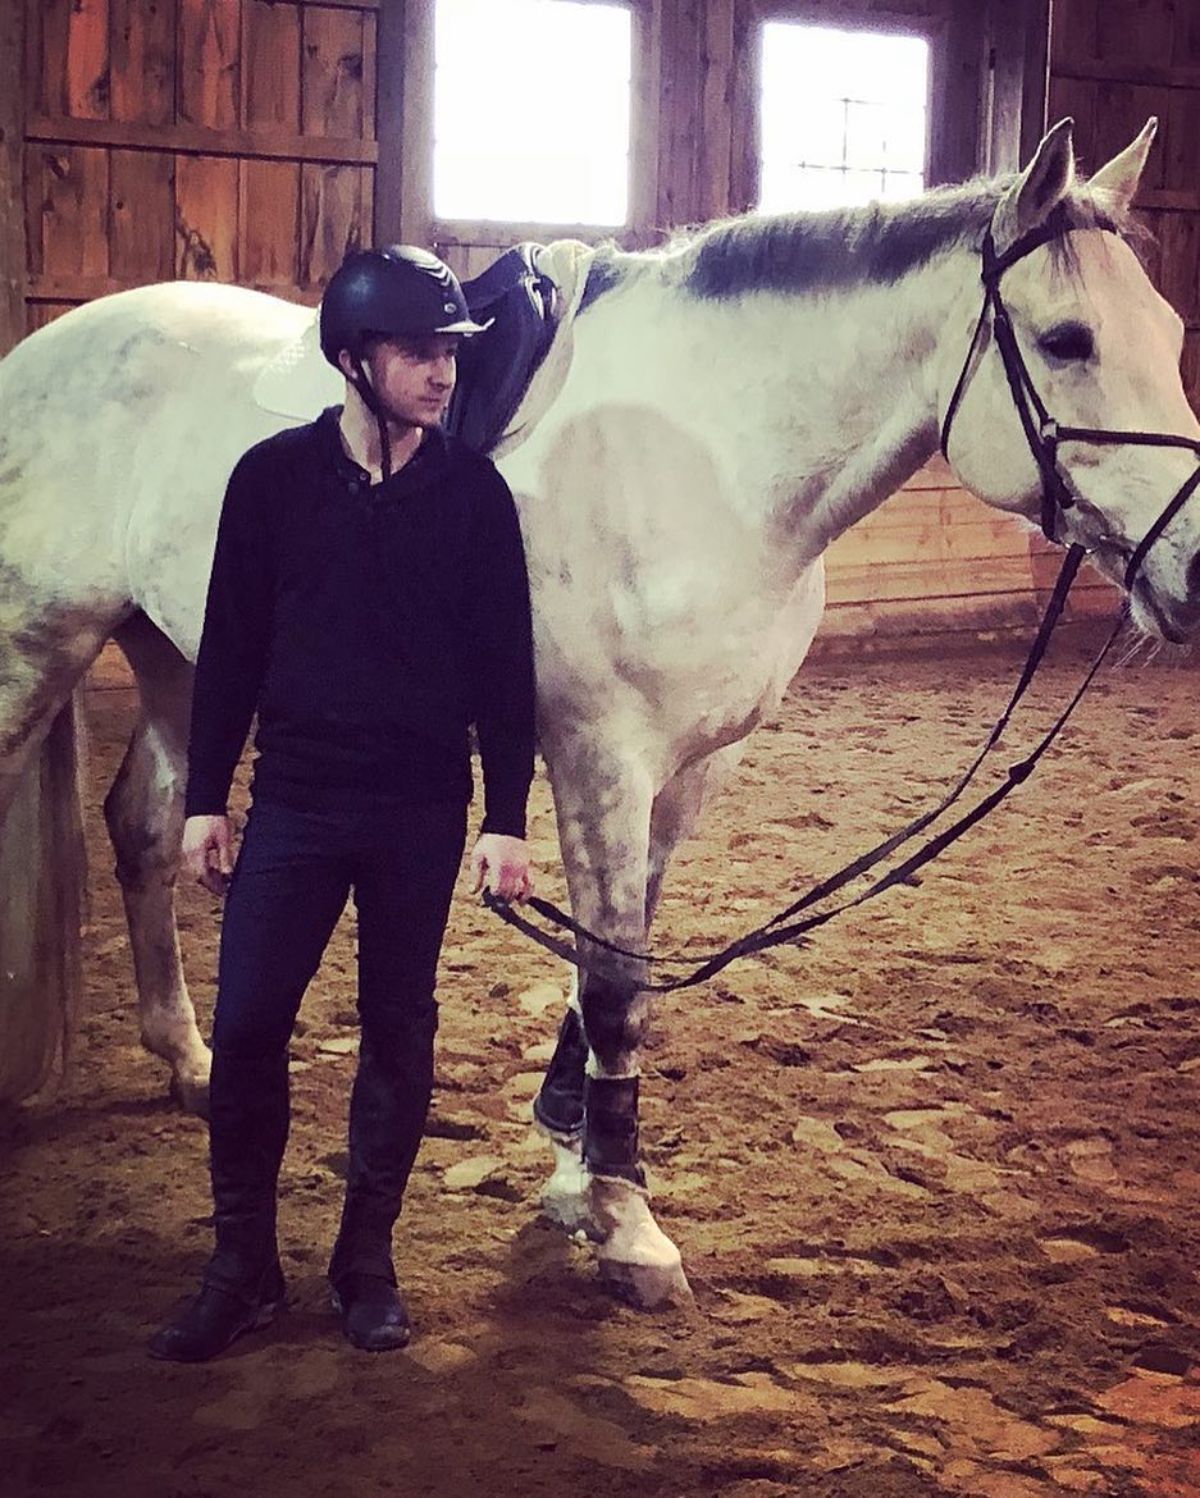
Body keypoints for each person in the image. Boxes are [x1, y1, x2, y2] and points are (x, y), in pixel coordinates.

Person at [148, 245, 537, 1362]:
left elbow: (505, 670)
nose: (442, 374)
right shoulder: (270, 480)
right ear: (354, 358)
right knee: (247, 1025)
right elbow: (230, 650)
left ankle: (365, 1260)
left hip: (420, 811)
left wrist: (506, 817)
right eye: (418, 352)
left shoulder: (475, 495)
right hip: (299, 804)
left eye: (450, 354)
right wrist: (207, 798)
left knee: (398, 1030)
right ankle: (242, 1266)